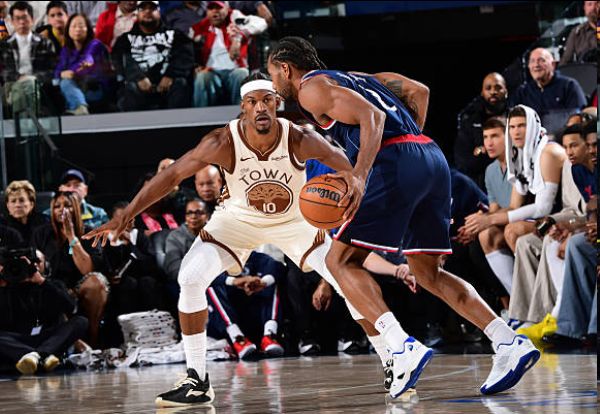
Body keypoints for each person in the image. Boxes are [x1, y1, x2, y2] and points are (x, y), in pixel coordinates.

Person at [85, 75, 401, 407]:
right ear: (243, 108)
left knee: (345, 281)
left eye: (266, 100)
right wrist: (127, 213)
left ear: (277, 104)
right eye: (253, 102)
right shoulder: (222, 141)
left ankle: (392, 361)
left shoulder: (300, 137)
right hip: (237, 222)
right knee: (190, 277)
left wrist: (366, 193)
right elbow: (173, 174)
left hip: (294, 220)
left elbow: (351, 168)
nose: (260, 108)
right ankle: (197, 380)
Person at [266, 36, 539, 399]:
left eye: (272, 74)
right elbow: (419, 90)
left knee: (340, 261)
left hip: (394, 160)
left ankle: (400, 346)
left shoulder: (309, 89)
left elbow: (372, 117)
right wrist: (412, 146)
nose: (273, 84)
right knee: (428, 273)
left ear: (285, 68)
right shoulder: (358, 78)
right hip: (430, 157)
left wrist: (360, 175)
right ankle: (508, 342)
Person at [33, 191, 107, 348]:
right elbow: (38, 267)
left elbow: (87, 270)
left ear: (77, 208)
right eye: (57, 206)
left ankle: (93, 340)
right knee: (52, 292)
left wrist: (71, 237)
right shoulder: (41, 233)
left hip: (80, 284)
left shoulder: (90, 233)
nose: (62, 209)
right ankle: (75, 344)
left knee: (96, 282)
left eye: (67, 205)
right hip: (54, 285)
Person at [0, 250, 88, 375]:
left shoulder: (54, 284)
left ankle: (36, 356)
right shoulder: (8, 288)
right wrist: (4, 284)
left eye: (36, 261)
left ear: (46, 265)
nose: (33, 265)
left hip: (50, 339)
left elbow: (71, 308)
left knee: (81, 321)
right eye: (26, 263)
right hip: (19, 340)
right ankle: (41, 357)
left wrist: (42, 282)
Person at [112, 0, 194, 111]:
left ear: (159, 11)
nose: (147, 11)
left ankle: (178, 122)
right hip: (138, 87)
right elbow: (119, 60)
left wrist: (170, 75)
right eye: (143, 8)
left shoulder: (176, 35)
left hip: (169, 86)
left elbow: (186, 57)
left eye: (152, 8)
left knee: (181, 84)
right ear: (137, 13)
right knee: (129, 88)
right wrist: (138, 77)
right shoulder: (124, 39)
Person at [191, 1, 267, 107]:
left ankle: (241, 113)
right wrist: (196, 65)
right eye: (211, 8)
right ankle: (200, 116)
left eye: (219, 8)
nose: (215, 12)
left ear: (227, 8)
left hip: (234, 70)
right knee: (201, 77)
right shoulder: (203, 25)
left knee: (242, 74)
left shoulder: (235, 17)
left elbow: (261, 22)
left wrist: (239, 37)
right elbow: (185, 43)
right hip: (212, 72)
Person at [0, 1, 56, 116]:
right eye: (17, 18)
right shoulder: (4, 45)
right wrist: (19, 78)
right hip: (11, 85)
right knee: (23, 87)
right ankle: (29, 122)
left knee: (27, 86)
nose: (21, 22)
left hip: (38, 84)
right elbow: (4, 71)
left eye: (25, 17)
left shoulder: (45, 43)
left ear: (32, 19)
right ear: (11, 21)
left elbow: (51, 70)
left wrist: (32, 78)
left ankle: (21, 122)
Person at [454, 73, 508, 188]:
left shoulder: (514, 119)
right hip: (479, 185)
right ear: (482, 93)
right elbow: (463, 161)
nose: (493, 92)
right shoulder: (469, 121)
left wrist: (481, 151)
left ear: (506, 91)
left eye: (498, 87)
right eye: (488, 88)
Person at [54, 13, 111, 115]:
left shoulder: (95, 44)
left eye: (81, 26)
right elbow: (58, 70)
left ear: (88, 29)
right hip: (75, 87)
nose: (77, 29)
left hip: (94, 88)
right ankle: (80, 107)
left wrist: (73, 72)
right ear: (68, 30)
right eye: (73, 26)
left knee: (65, 83)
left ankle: (79, 108)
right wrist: (62, 74)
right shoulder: (66, 49)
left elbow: (87, 58)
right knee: (64, 84)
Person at [511, 48, 586, 117]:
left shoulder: (569, 86)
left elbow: (577, 117)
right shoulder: (522, 92)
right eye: (532, 61)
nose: (536, 65)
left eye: (541, 60)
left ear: (553, 65)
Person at [3, 180, 48, 244]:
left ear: (31, 204)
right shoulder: (3, 227)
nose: (17, 205)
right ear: (8, 206)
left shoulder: (44, 223)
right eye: (13, 201)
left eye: (22, 200)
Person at [559, 1, 599, 65]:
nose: (593, 8)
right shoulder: (577, 33)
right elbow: (565, 61)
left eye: (597, 4)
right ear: (584, 8)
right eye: (589, 4)